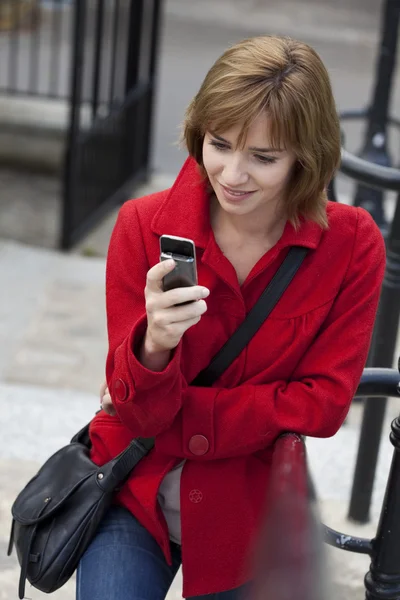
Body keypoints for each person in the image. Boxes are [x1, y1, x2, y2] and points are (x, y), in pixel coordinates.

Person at [77, 35, 385, 600]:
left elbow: (323, 403)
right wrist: (154, 348)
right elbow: (136, 413)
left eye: (263, 157)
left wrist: (175, 406)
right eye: (219, 144)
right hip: (130, 488)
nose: (233, 174)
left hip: (247, 512)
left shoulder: (352, 243)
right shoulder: (140, 225)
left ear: (305, 158)